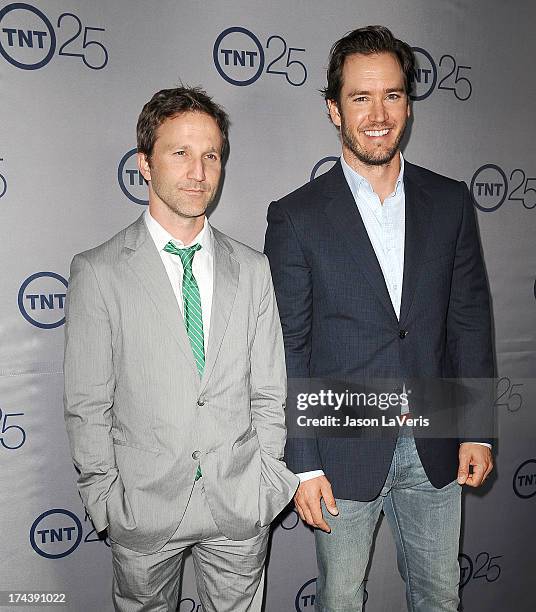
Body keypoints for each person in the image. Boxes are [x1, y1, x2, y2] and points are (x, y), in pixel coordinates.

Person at [264, 26, 494, 611]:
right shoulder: (296, 217)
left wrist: (475, 428)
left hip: (435, 437)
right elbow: (290, 347)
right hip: (341, 447)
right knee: (341, 600)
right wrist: (303, 462)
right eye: (360, 97)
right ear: (333, 109)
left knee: (440, 597)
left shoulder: (450, 201)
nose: (377, 113)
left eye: (392, 95)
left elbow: (469, 321)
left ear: (409, 105)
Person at [64, 86, 298, 612]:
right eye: (180, 153)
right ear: (145, 163)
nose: (198, 171)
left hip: (239, 502)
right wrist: (106, 502)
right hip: (142, 509)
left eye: (210, 154)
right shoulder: (99, 272)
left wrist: (267, 481)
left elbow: (269, 388)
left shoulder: (253, 268)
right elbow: (86, 404)